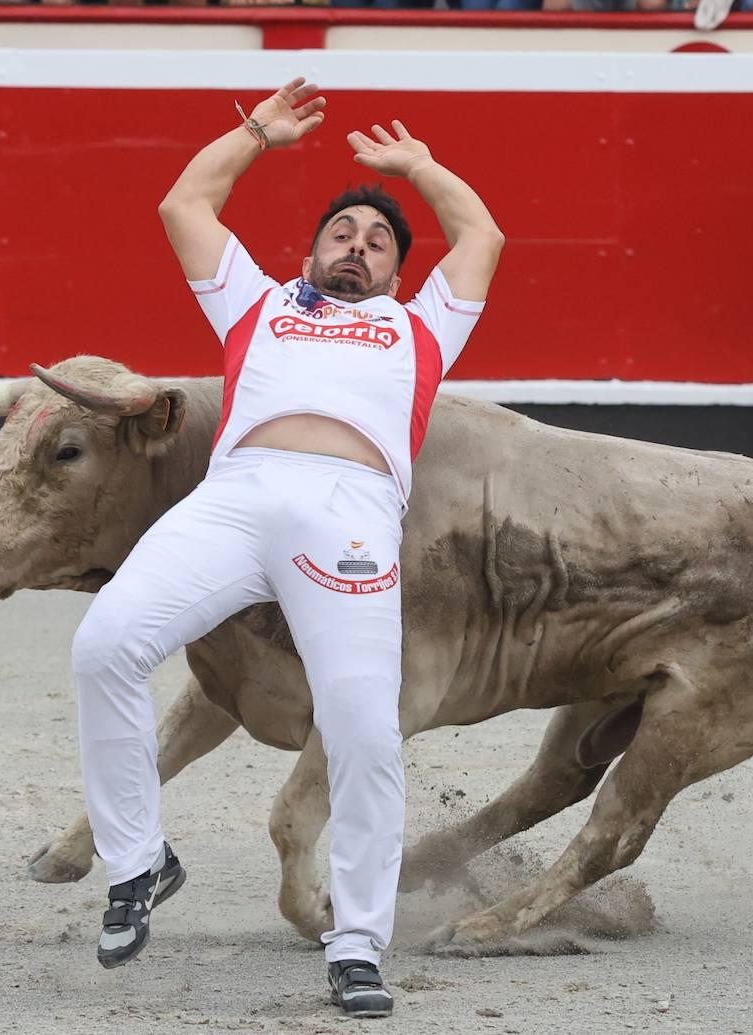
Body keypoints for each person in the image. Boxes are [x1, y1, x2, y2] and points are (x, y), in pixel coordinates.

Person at [69, 78, 503, 1019]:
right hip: (234, 499)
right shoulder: (256, 306)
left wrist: (420, 170)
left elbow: (483, 239)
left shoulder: (422, 326)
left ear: (396, 272)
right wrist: (257, 134)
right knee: (104, 646)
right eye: (342, 232)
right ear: (308, 253)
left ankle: (355, 941)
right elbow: (183, 203)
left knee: (362, 730)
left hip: (348, 515)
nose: (357, 245)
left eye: (377, 240)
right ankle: (140, 861)